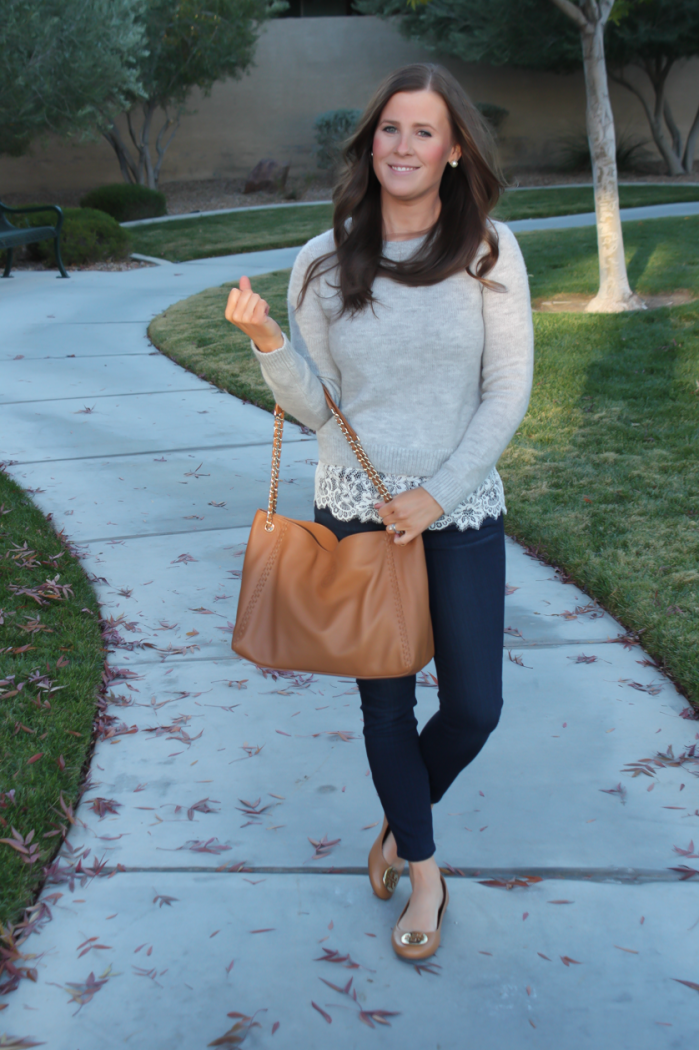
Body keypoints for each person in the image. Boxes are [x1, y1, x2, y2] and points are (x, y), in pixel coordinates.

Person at [224, 63, 534, 961]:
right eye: (389, 129)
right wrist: (268, 344)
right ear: (371, 144)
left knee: (474, 706)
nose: (402, 146)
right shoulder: (324, 261)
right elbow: (318, 406)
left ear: (454, 148)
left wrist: (436, 492)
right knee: (387, 711)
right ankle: (426, 870)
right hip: (359, 510)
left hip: (458, 503)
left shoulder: (488, 250)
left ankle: (400, 823)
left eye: (422, 131)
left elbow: (507, 390)